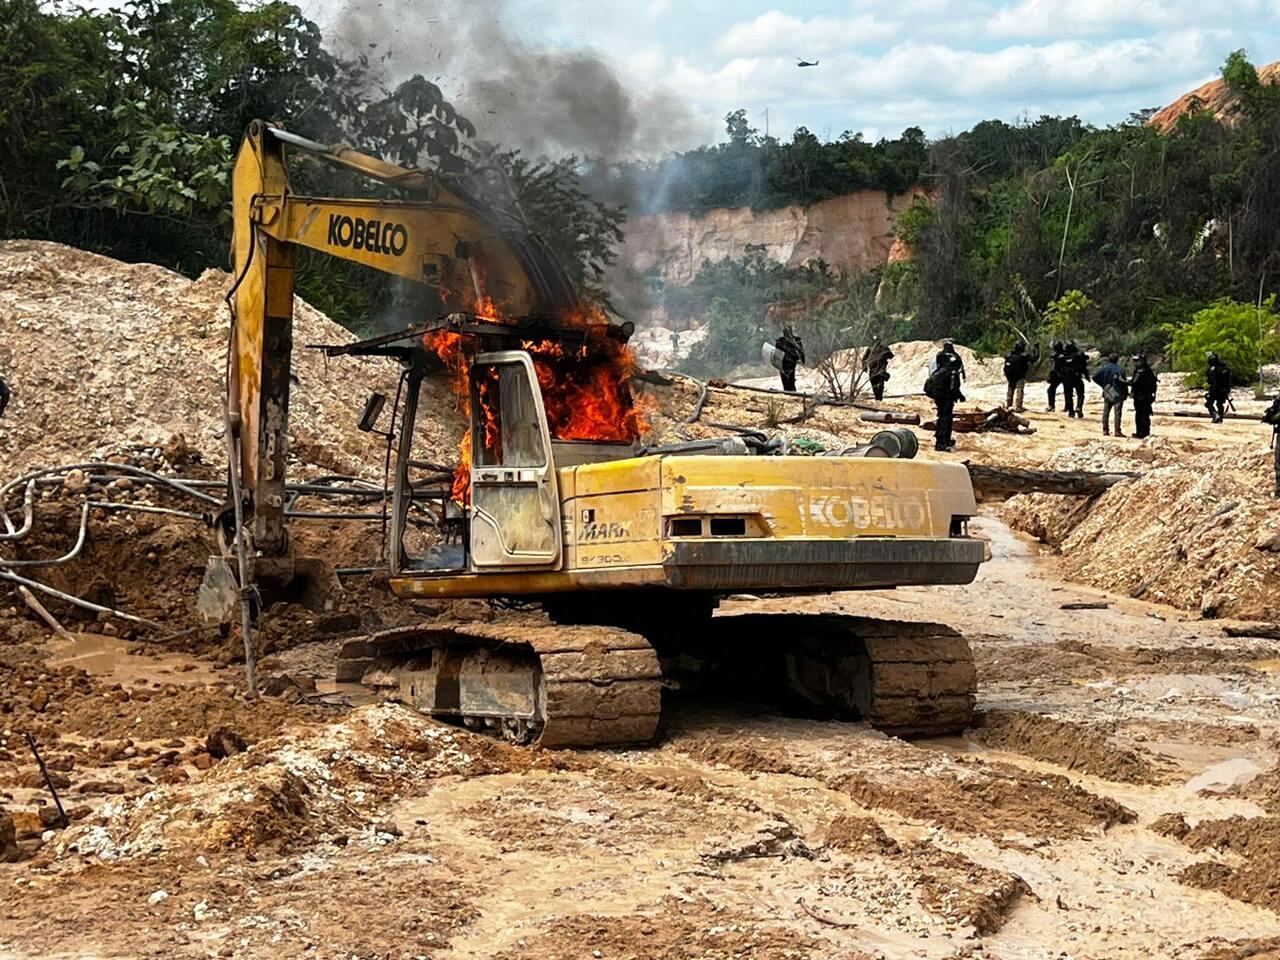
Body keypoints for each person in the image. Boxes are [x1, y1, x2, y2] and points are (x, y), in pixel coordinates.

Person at [925, 347, 965, 452]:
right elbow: (954, 385)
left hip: (938, 393)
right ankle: (941, 443)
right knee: (945, 418)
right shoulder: (952, 367)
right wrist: (959, 395)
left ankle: (944, 440)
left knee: (943, 416)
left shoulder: (940, 360)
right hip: (946, 395)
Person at [1092, 354, 1129, 437]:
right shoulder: (1120, 369)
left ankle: (1105, 430)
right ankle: (1117, 431)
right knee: (1117, 413)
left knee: (1106, 412)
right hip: (1118, 392)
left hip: (1107, 391)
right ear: (1117, 360)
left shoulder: (1104, 368)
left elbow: (1094, 377)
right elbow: (1124, 383)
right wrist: (1126, 393)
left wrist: (1103, 385)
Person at [1003, 340, 1040, 412]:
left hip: (1010, 376)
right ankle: (1018, 407)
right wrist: (1037, 349)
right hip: (1020, 376)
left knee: (1010, 390)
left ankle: (1008, 405)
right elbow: (1035, 358)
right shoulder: (1024, 356)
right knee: (1019, 390)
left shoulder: (1009, 355)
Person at [1130, 355, 1158, 439]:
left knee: (1141, 415)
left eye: (1137, 361)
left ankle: (1141, 433)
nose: (1135, 363)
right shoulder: (1148, 371)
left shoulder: (1141, 371)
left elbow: (1133, 383)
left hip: (1141, 397)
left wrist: (1121, 380)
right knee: (1145, 414)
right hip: (1147, 397)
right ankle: (1145, 432)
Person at [862, 337, 894, 401]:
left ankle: (878, 399)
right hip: (879, 371)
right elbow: (891, 356)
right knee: (879, 386)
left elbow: (864, 359)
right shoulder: (883, 348)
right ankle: (879, 399)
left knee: (876, 386)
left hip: (875, 371)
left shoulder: (871, 349)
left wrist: (864, 368)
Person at [775, 326, 805, 392]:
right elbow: (777, 354)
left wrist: (802, 359)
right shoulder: (781, 342)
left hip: (791, 363)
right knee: (786, 381)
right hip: (784, 363)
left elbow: (801, 351)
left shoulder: (796, 341)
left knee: (790, 379)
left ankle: (791, 391)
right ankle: (789, 391)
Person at [1206, 352, 1233, 423]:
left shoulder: (1213, 369)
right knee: (1219, 404)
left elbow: (1210, 380)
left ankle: (1215, 415)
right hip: (1224, 389)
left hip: (1215, 389)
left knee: (1209, 403)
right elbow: (1229, 380)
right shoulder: (1225, 368)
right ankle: (1220, 417)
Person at [1063, 342, 1088, 419]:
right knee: (1080, 394)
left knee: (1068, 395)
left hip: (1067, 378)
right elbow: (1083, 367)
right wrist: (1087, 376)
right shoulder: (1078, 356)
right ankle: (1079, 407)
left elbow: (1059, 368)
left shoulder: (1063, 357)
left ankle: (1071, 412)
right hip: (1077, 377)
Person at [1046, 340, 1065, 412]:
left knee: (1050, 390)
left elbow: (1054, 367)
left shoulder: (1056, 356)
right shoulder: (1064, 354)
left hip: (1057, 375)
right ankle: (1068, 407)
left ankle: (1051, 406)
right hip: (1065, 375)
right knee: (1068, 391)